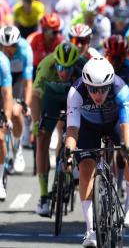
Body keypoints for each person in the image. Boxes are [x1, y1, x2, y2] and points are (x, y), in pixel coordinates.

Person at [66, 57, 129, 247]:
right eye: (92, 89)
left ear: (110, 83)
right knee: (85, 169)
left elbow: (126, 126)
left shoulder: (120, 88)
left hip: (116, 124)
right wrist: (68, 152)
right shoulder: (75, 92)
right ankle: (90, 230)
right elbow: (72, 129)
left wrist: (128, 150)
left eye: (102, 89)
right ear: (86, 84)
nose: (97, 94)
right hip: (88, 127)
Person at [32, 43, 84, 216]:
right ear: (55, 63)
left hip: (74, 99)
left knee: (75, 132)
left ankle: (72, 168)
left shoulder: (83, 66)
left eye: (69, 69)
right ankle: (44, 196)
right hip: (51, 99)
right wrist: (35, 123)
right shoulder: (46, 65)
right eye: (61, 67)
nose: (64, 73)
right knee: (41, 139)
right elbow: (35, 97)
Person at [0, 26, 33, 172]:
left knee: (15, 112)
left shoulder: (25, 50)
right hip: (3, 79)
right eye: (4, 47)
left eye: (12, 47)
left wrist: (25, 104)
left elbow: (27, 82)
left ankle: (17, 147)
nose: (8, 51)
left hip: (18, 80)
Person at [104, 35, 129, 122]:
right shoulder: (100, 65)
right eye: (112, 57)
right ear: (106, 55)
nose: (115, 61)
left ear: (125, 55)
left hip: (122, 102)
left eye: (119, 57)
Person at [0, 45, 13, 200]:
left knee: (0, 137)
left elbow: (7, 94)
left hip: (1, 96)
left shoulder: (2, 61)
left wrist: (7, 118)